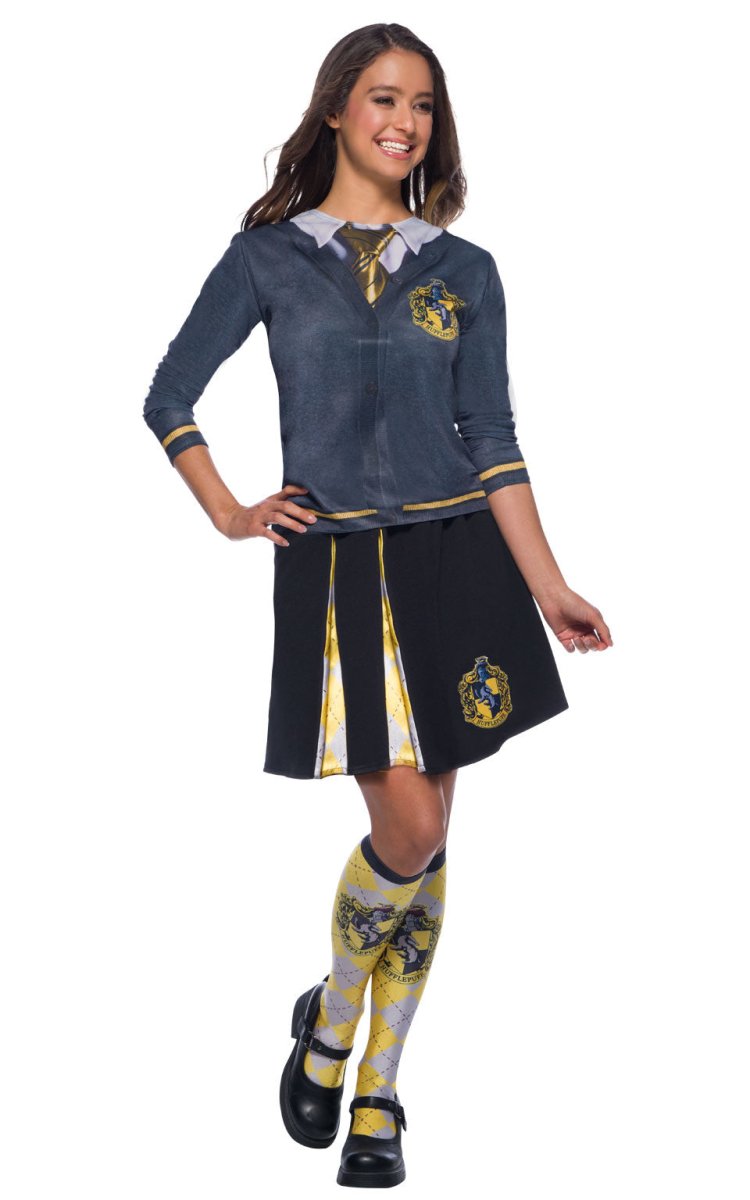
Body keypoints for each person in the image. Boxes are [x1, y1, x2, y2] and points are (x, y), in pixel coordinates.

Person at [142, 21, 613, 1189]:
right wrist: (230, 511)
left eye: (424, 106)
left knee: (434, 831)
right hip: (339, 563)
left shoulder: (467, 270)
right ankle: (332, 1018)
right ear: (338, 109)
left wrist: (548, 582)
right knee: (407, 831)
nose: (406, 122)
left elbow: (491, 438)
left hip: (463, 563)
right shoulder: (266, 258)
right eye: (386, 98)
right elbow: (169, 394)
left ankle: (378, 1088)